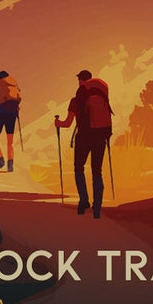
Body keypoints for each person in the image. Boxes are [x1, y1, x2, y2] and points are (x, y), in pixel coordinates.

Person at [53, 68, 114, 218]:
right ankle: (97, 207)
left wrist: (57, 123)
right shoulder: (101, 96)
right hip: (100, 136)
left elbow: (67, 123)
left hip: (83, 138)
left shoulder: (75, 101)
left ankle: (83, 201)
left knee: (79, 168)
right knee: (96, 171)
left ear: (80, 81)